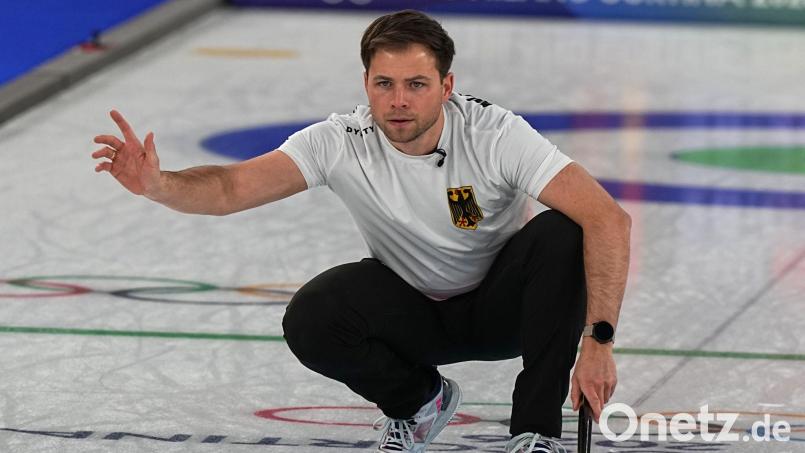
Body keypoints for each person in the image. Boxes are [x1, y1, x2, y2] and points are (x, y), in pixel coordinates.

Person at [91, 9, 630, 453]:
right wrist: (157, 184)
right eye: (385, 84)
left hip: (507, 312)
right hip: (414, 317)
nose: (399, 100)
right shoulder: (340, 139)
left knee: (564, 230)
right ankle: (420, 401)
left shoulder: (495, 133)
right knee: (314, 314)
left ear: (446, 86)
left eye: (417, 84)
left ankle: (535, 433)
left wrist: (598, 341)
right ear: (366, 85)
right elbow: (232, 187)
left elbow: (609, 218)